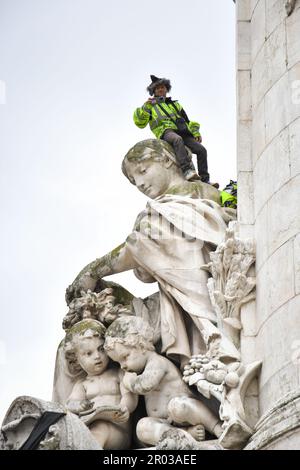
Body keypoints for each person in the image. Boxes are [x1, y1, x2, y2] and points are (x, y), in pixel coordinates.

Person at [66, 140, 239, 368]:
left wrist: (94, 269)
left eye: (143, 170)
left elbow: (143, 243)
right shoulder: (161, 210)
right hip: (186, 300)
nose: (140, 183)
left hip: (206, 295)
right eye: (133, 181)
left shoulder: (193, 195)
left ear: (167, 160)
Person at [104, 316, 224, 447]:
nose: (123, 366)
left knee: (178, 406)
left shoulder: (157, 362)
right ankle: (184, 435)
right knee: (142, 427)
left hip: (184, 412)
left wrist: (129, 382)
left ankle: (217, 427)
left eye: (125, 357)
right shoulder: (139, 370)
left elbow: (145, 385)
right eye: (118, 362)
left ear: (141, 345)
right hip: (164, 422)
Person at [64, 319, 138, 449]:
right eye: (89, 353)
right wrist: (80, 406)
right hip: (90, 429)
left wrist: (125, 407)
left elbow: (129, 396)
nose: (97, 356)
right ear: (76, 360)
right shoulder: (82, 384)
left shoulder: (118, 373)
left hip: (118, 431)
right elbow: (70, 404)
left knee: (100, 429)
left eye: (101, 349)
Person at [133, 75, 215, 185]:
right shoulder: (150, 106)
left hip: (182, 130)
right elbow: (140, 123)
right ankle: (187, 171)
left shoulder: (175, 104)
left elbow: (187, 120)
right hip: (165, 131)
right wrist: (146, 107)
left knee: (201, 150)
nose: (160, 89)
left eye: (162, 87)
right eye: (157, 88)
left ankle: (205, 180)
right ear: (154, 91)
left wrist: (195, 132)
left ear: (166, 89)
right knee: (177, 139)